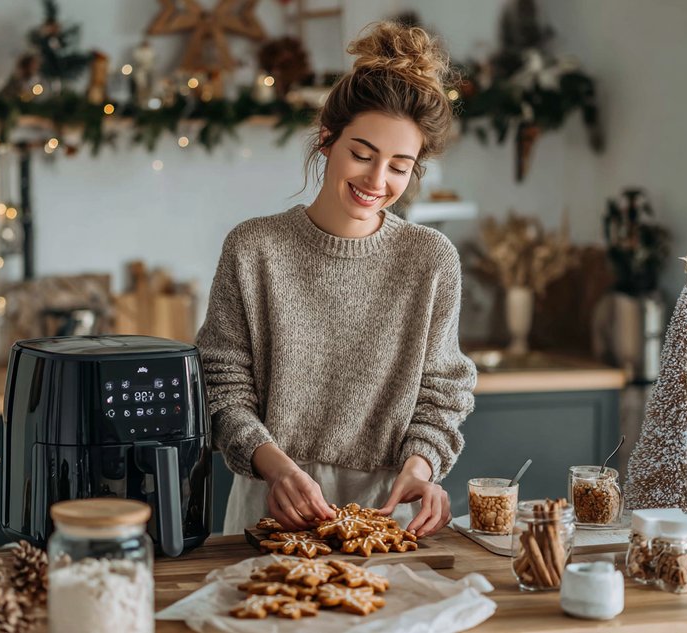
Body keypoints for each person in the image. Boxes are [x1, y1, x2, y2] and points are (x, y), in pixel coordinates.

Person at [196, 21, 477, 538]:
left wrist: (422, 468)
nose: (376, 181)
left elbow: (442, 393)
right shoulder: (254, 249)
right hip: (271, 500)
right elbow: (220, 388)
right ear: (327, 140)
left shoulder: (431, 259)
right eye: (363, 155)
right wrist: (275, 468)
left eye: (398, 166)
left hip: (386, 512)